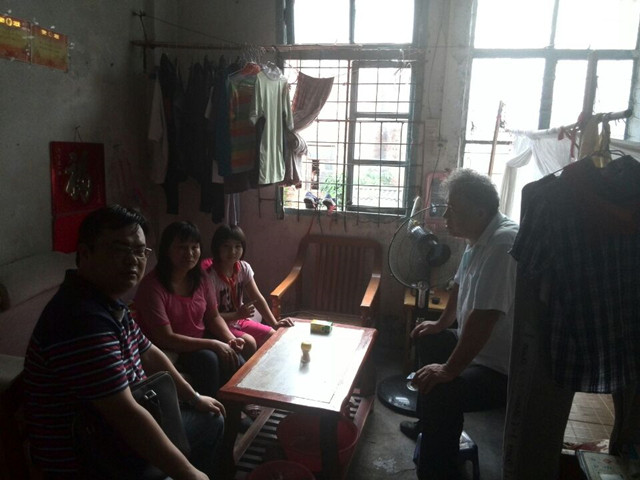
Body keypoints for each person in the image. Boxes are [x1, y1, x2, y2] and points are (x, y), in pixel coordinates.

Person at [23, 205, 224, 480]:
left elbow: (149, 352)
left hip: (120, 431)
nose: (133, 260)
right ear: (85, 253)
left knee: (211, 417)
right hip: (95, 456)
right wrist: (187, 473)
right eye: (120, 249)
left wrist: (194, 397)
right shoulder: (80, 319)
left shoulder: (108, 303)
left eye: (140, 251)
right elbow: (125, 415)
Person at [404, 169, 518, 480]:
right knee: (426, 336)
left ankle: (438, 470)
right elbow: (458, 284)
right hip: (477, 345)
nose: (445, 217)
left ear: (480, 211)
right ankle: (427, 425)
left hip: (499, 367)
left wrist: (449, 369)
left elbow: (485, 317)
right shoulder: (477, 236)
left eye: (453, 210)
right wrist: (441, 323)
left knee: (442, 390)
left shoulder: (502, 243)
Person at [134, 220, 245, 398]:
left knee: (235, 358)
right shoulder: (152, 287)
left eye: (194, 247)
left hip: (198, 339)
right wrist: (214, 344)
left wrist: (230, 339)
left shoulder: (201, 278)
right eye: (182, 247)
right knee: (208, 360)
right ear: (167, 250)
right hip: (169, 347)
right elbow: (166, 338)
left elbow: (213, 317)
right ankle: (210, 410)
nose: (190, 253)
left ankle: (237, 409)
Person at [205, 224, 294, 358]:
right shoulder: (210, 276)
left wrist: (274, 323)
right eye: (226, 246)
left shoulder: (244, 268)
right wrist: (236, 315)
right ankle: (245, 371)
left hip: (239, 320)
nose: (232, 252)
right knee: (249, 343)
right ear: (217, 247)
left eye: (237, 246)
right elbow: (210, 317)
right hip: (220, 325)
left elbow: (257, 298)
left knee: (273, 336)